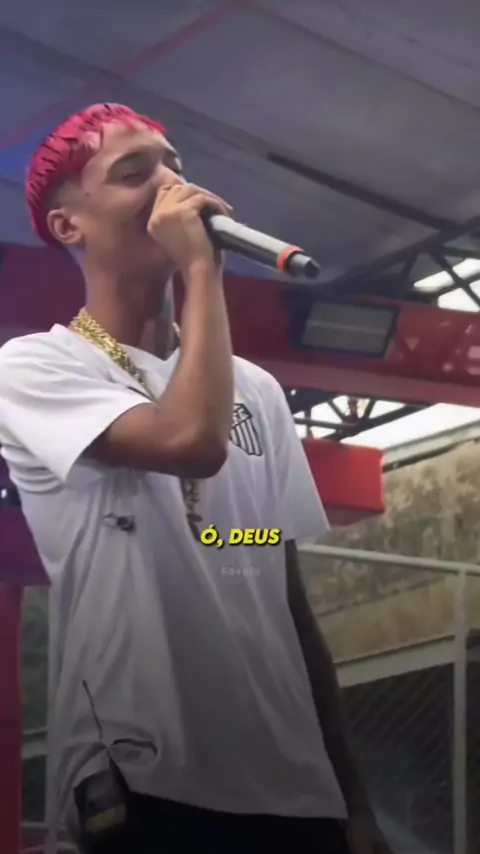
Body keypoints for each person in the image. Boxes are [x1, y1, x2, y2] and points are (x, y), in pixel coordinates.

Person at [0, 103, 390, 854]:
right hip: (140, 777)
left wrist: (354, 801)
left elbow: (286, 599)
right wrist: (201, 269)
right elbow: (189, 441)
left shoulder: (258, 391)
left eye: (174, 165)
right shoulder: (36, 367)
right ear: (68, 225)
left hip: (295, 793)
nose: (171, 185)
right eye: (134, 173)